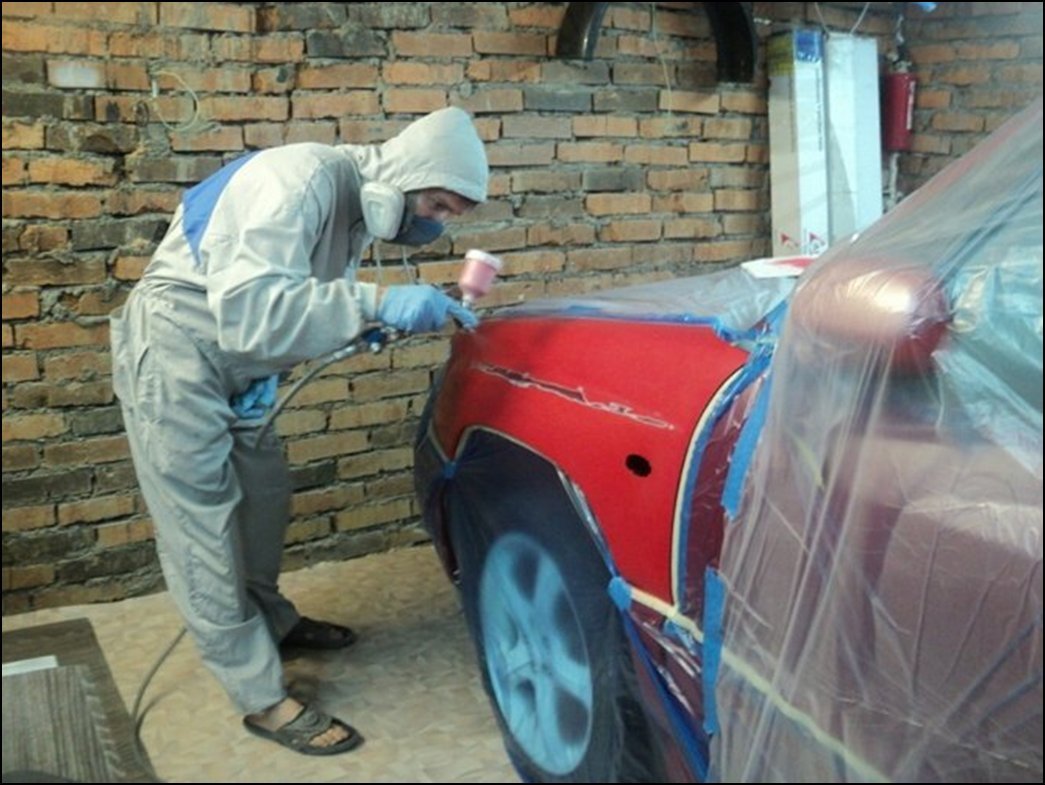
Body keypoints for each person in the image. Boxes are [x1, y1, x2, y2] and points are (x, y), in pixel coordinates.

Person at [109, 107, 488, 756]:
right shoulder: (298, 180)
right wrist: (375, 301)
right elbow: (252, 308)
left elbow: (294, 307)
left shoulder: (351, 213)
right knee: (203, 523)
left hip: (240, 362)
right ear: (400, 178)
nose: (435, 221)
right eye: (434, 203)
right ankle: (259, 695)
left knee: (264, 497)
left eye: (450, 212)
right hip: (176, 351)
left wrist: (361, 323)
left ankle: (273, 623)